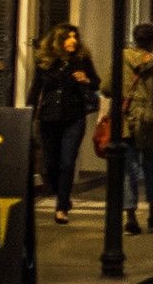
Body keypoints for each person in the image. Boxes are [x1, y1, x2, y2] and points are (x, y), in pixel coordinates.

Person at [27, 23, 99, 225]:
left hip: (74, 117)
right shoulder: (45, 63)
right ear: (58, 41)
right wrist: (28, 114)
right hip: (49, 118)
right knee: (50, 164)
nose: (73, 41)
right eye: (68, 37)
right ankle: (62, 197)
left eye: (75, 37)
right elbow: (35, 89)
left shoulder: (82, 60)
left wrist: (85, 79)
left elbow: (96, 82)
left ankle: (61, 207)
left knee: (67, 162)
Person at [112, 22, 153, 234]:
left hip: (127, 120)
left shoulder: (121, 57)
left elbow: (108, 86)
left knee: (128, 169)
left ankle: (130, 216)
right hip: (152, 119)